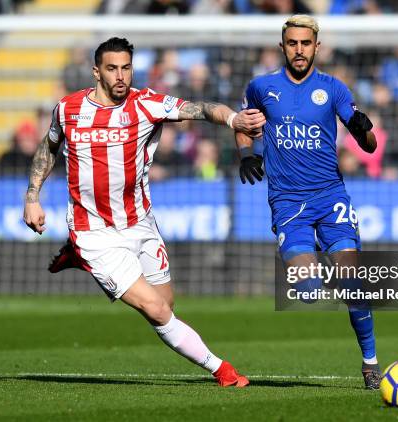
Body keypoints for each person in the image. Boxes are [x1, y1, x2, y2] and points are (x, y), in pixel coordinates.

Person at [22, 37, 265, 387]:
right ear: (96, 72)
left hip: (141, 224)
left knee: (166, 305)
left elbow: (201, 108)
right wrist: (32, 196)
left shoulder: (146, 103)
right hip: (95, 234)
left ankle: (74, 256)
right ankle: (223, 371)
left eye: (126, 67)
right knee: (156, 310)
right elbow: (49, 146)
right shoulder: (68, 109)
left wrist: (234, 121)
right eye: (112, 69)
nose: (120, 76)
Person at [235, 15, 382, 389]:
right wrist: (246, 154)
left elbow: (368, 144)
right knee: (308, 290)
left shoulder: (333, 89)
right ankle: (319, 260)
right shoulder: (261, 87)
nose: (299, 50)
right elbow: (243, 125)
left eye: (305, 43)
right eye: (292, 43)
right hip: (288, 202)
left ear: (317, 46)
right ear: (282, 46)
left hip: (331, 196)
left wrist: (366, 131)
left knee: (352, 283)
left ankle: (370, 363)